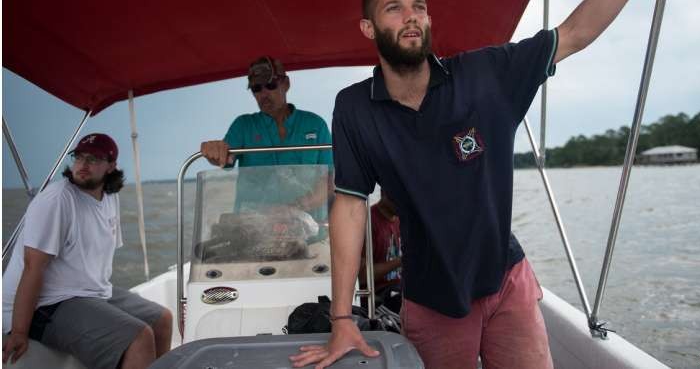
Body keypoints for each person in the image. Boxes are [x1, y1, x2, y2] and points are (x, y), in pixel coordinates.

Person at [289, 0, 696, 369]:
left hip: (508, 283)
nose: (411, 16)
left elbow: (578, 31)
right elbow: (351, 204)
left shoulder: (487, 75)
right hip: (432, 298)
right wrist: (342, 318)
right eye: (394, 9)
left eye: (419, 7)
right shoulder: (355, 108)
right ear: (368, 27)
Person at [2, 133, 172, 369]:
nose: (82, 165)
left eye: (93, 159)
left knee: (161, 320)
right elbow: (32, 267)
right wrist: (19, 331)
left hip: (87, 292)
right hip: (45, 303)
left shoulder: (110, 197)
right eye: (79, 157)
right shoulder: (57, 200)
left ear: (111, 166)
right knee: (139, 338)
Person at [200, 56, 333, 215]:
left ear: (286, 84)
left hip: (309, 231)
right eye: (256, 88)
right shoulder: (243, 126)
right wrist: (214, 151)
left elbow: (330, 180)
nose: (263, 94)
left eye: (270, 85)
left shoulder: (316, 125)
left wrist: (295, 208)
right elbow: (226, 157)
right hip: (253, 231)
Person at [358, 190, 402, 313]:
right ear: (384, 192)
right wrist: (401, 261)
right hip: (378, 295)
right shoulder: (368, 221)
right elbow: (362, 277)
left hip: (400, 288)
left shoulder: (402, 219)